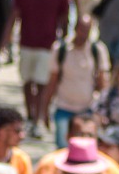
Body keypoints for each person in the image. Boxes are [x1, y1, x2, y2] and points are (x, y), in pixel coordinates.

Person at [15, 0, 73, 139]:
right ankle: (30, 115)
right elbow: (14, 15)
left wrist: (64, 40)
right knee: (27, 81)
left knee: (41, 83)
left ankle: (38, 119)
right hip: (26, 43)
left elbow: (64, 17)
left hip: (47, 45)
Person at [45, 16, 111, 150]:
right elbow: (52, 81)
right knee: (63, 148)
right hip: (64, 107)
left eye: (87, 30)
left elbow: (103, 82)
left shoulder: (97, 50)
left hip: (88, 109)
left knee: (86, 148)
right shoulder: (61, 49)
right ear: (75, 29)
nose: (84, 34)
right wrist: (45, 107)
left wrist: (104, 110)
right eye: (81, 29)